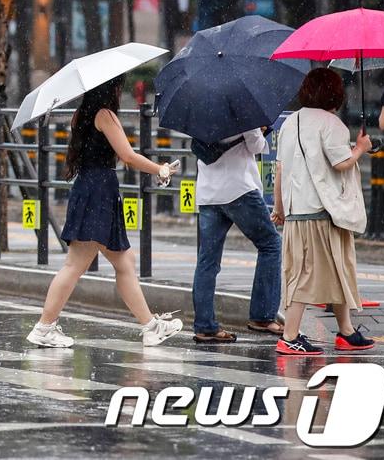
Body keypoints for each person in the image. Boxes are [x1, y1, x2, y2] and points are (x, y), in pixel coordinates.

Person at [27, 76, 183, 349]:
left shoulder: (81, 115)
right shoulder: (105, 115)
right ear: (110, 87)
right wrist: (160, 169)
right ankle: (44, 326)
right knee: (75, 265)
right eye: (117, 85)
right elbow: (128, 156)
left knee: (124, 262)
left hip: (91, 188)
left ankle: (150, 326)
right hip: (99, 192)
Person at [272, 68, 376, 355]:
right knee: (308, 274)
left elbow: (280, 169)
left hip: (296, 211)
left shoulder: (290, 123)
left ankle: (346, 330)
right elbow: (341, 163)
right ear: (335, 94)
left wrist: (279, 208)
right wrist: (361, 147)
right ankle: (290, 336)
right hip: (322, 210)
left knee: (334, 269)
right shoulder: (332, 124)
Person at [191, 128, 283, 343]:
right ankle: (262, 316)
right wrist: (260, 131)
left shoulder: (201, 112)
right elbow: (256, 147)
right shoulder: (241, 110)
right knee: (270, 244)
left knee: (207, 261)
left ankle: (205, 326)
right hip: (239, 189)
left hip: (208, 193)